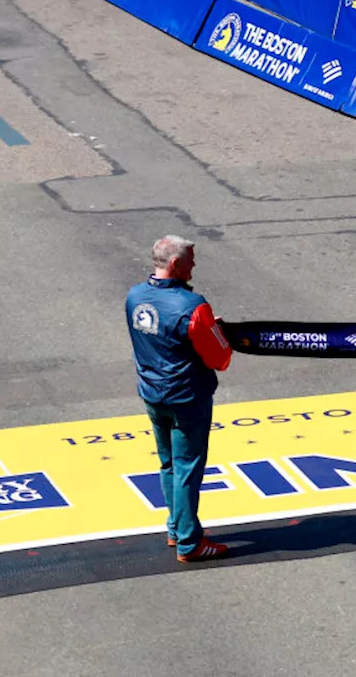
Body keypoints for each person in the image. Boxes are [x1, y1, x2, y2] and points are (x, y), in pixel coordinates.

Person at [126, 236, 233, 562]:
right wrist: (216, 333)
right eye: (190, 259)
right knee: (188, 467)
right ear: (175, 264)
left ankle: (176, 528)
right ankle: (189, 542)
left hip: (152, 393)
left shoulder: (134, 296)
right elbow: (220, 358)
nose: (194, 265)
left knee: (168, 463)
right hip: (187, 397)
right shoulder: (192, 306)